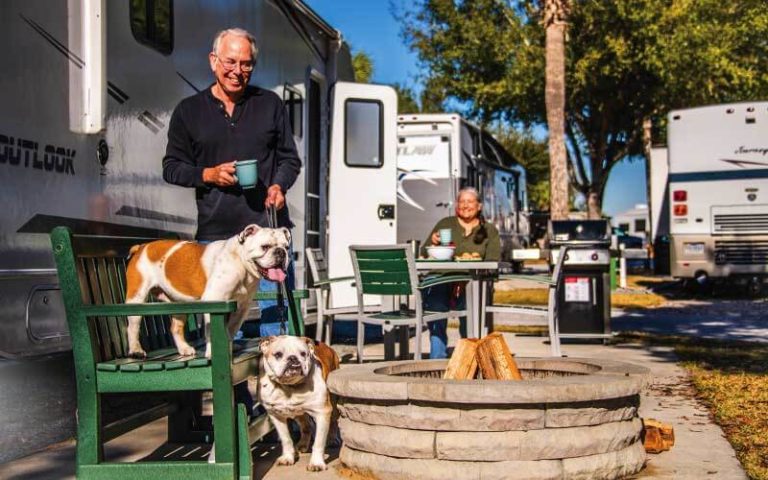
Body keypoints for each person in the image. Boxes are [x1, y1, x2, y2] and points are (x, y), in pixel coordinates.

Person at [162, 28, 301, 415]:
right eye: (230, 62)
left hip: (266, 233)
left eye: (245, 64)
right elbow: (172, 168)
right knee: (217, 329)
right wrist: (207, 174)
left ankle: (282, 412)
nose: (237, 70)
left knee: (274, 325)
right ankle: (236, 410)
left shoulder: (269, 104)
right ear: (213, 61)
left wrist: (279, 184)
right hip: (216, 238)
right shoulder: (189, 111)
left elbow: (291, 159)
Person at [420, 187, 500, 359]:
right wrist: (434, 243)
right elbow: (424, 252)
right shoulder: (445, 224)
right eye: (461, 201)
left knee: (470, 306)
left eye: (470, 201)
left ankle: (469, 356)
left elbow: (494, 261)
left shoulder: (489, 230)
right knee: (436, 306)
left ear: (479, 206)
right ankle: (437, 358)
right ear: (457, 206)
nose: (465, 205)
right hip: (441, 276)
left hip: (472, 279)